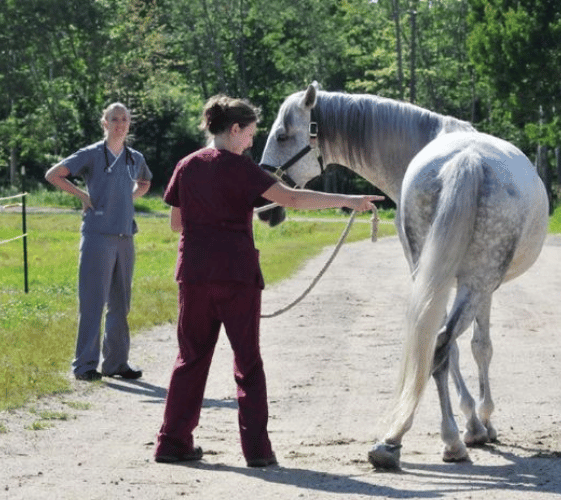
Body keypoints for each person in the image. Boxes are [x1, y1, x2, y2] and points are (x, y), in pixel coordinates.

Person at [155, 95, 383, 466]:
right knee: (248, 364)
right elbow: (291, 198)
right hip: (237, 278)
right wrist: (349, 199)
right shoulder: (242, 168)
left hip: (194, 276)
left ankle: (172, 442)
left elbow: (177, 224)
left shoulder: (186, 165)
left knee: (190, 359)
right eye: (249, 134)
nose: (251, 142)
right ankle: (257, 452)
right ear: (234, 130)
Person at [45, 103, 152, 382]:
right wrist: (82, 195)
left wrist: (129, 197)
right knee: (93, 302)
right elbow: (53, 174)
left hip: (125, 236)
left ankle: (116, 363)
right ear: (104, 123)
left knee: (121, 304)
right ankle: (85, 366)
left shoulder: (134, 158)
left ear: (129, 124)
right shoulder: (92, 154)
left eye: (124, 119)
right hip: (98, 236)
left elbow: (145, 183)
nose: (119, 124)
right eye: (114, 119)